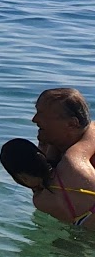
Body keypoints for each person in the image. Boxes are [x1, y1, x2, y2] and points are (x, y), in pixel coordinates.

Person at [30, 87, 95, 226]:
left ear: (72, 123)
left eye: (42, 114)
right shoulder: (50, 145)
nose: (34, 119)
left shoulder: (81, 162)